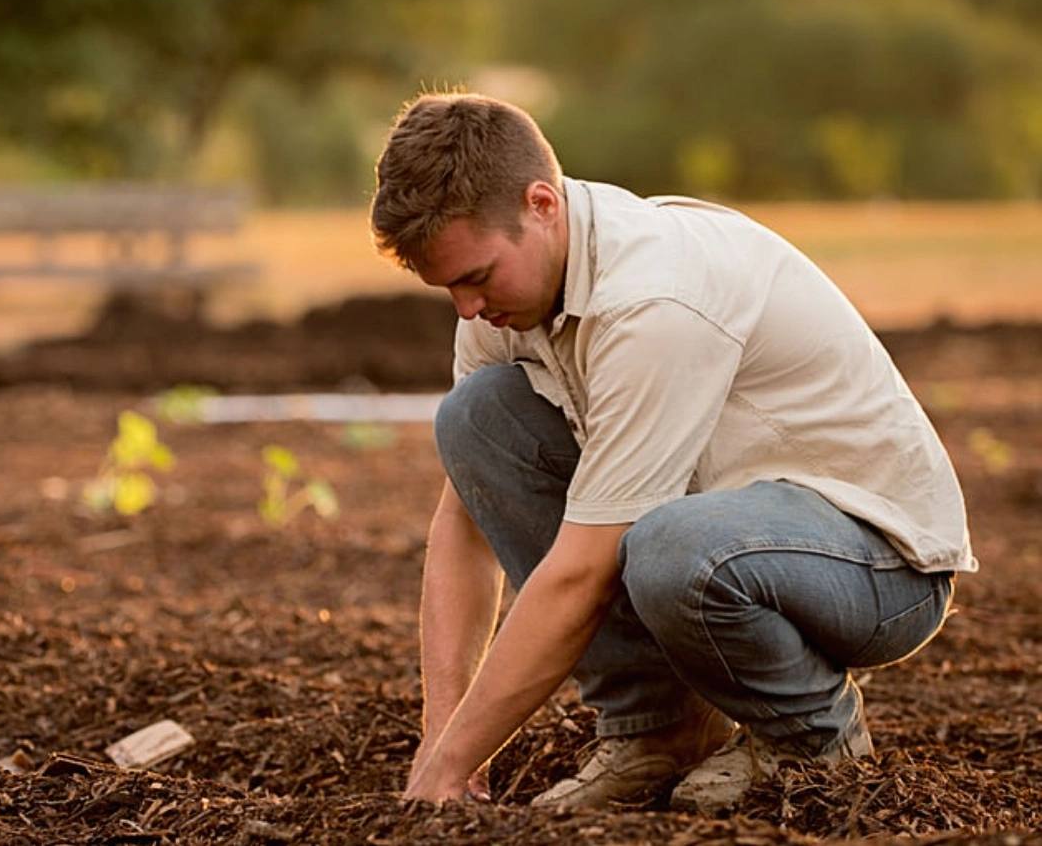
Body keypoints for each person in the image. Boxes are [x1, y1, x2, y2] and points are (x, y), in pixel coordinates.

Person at [368, 93, 973, 813]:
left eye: (477, 276)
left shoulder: (653, 299)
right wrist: (441, 748)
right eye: (449, 288)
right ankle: (660, 729)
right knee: (477, 418)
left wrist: (458, 758)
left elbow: (582, 573)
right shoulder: (506, 305)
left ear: (541, 204)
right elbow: (466, 523)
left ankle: (812, 736)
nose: (466, 309)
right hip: (728, 529)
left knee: (668, 546)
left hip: (880, 563)